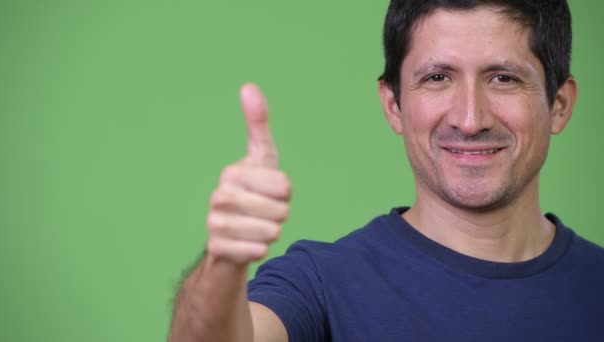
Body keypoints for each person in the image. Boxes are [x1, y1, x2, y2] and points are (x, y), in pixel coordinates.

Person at [168, 0, 604, 341]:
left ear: (559, 106)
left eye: (503, 78)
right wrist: (223, 262)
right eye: (437, 78)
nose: (471, 119)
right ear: (393, 105)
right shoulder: (318, 284)